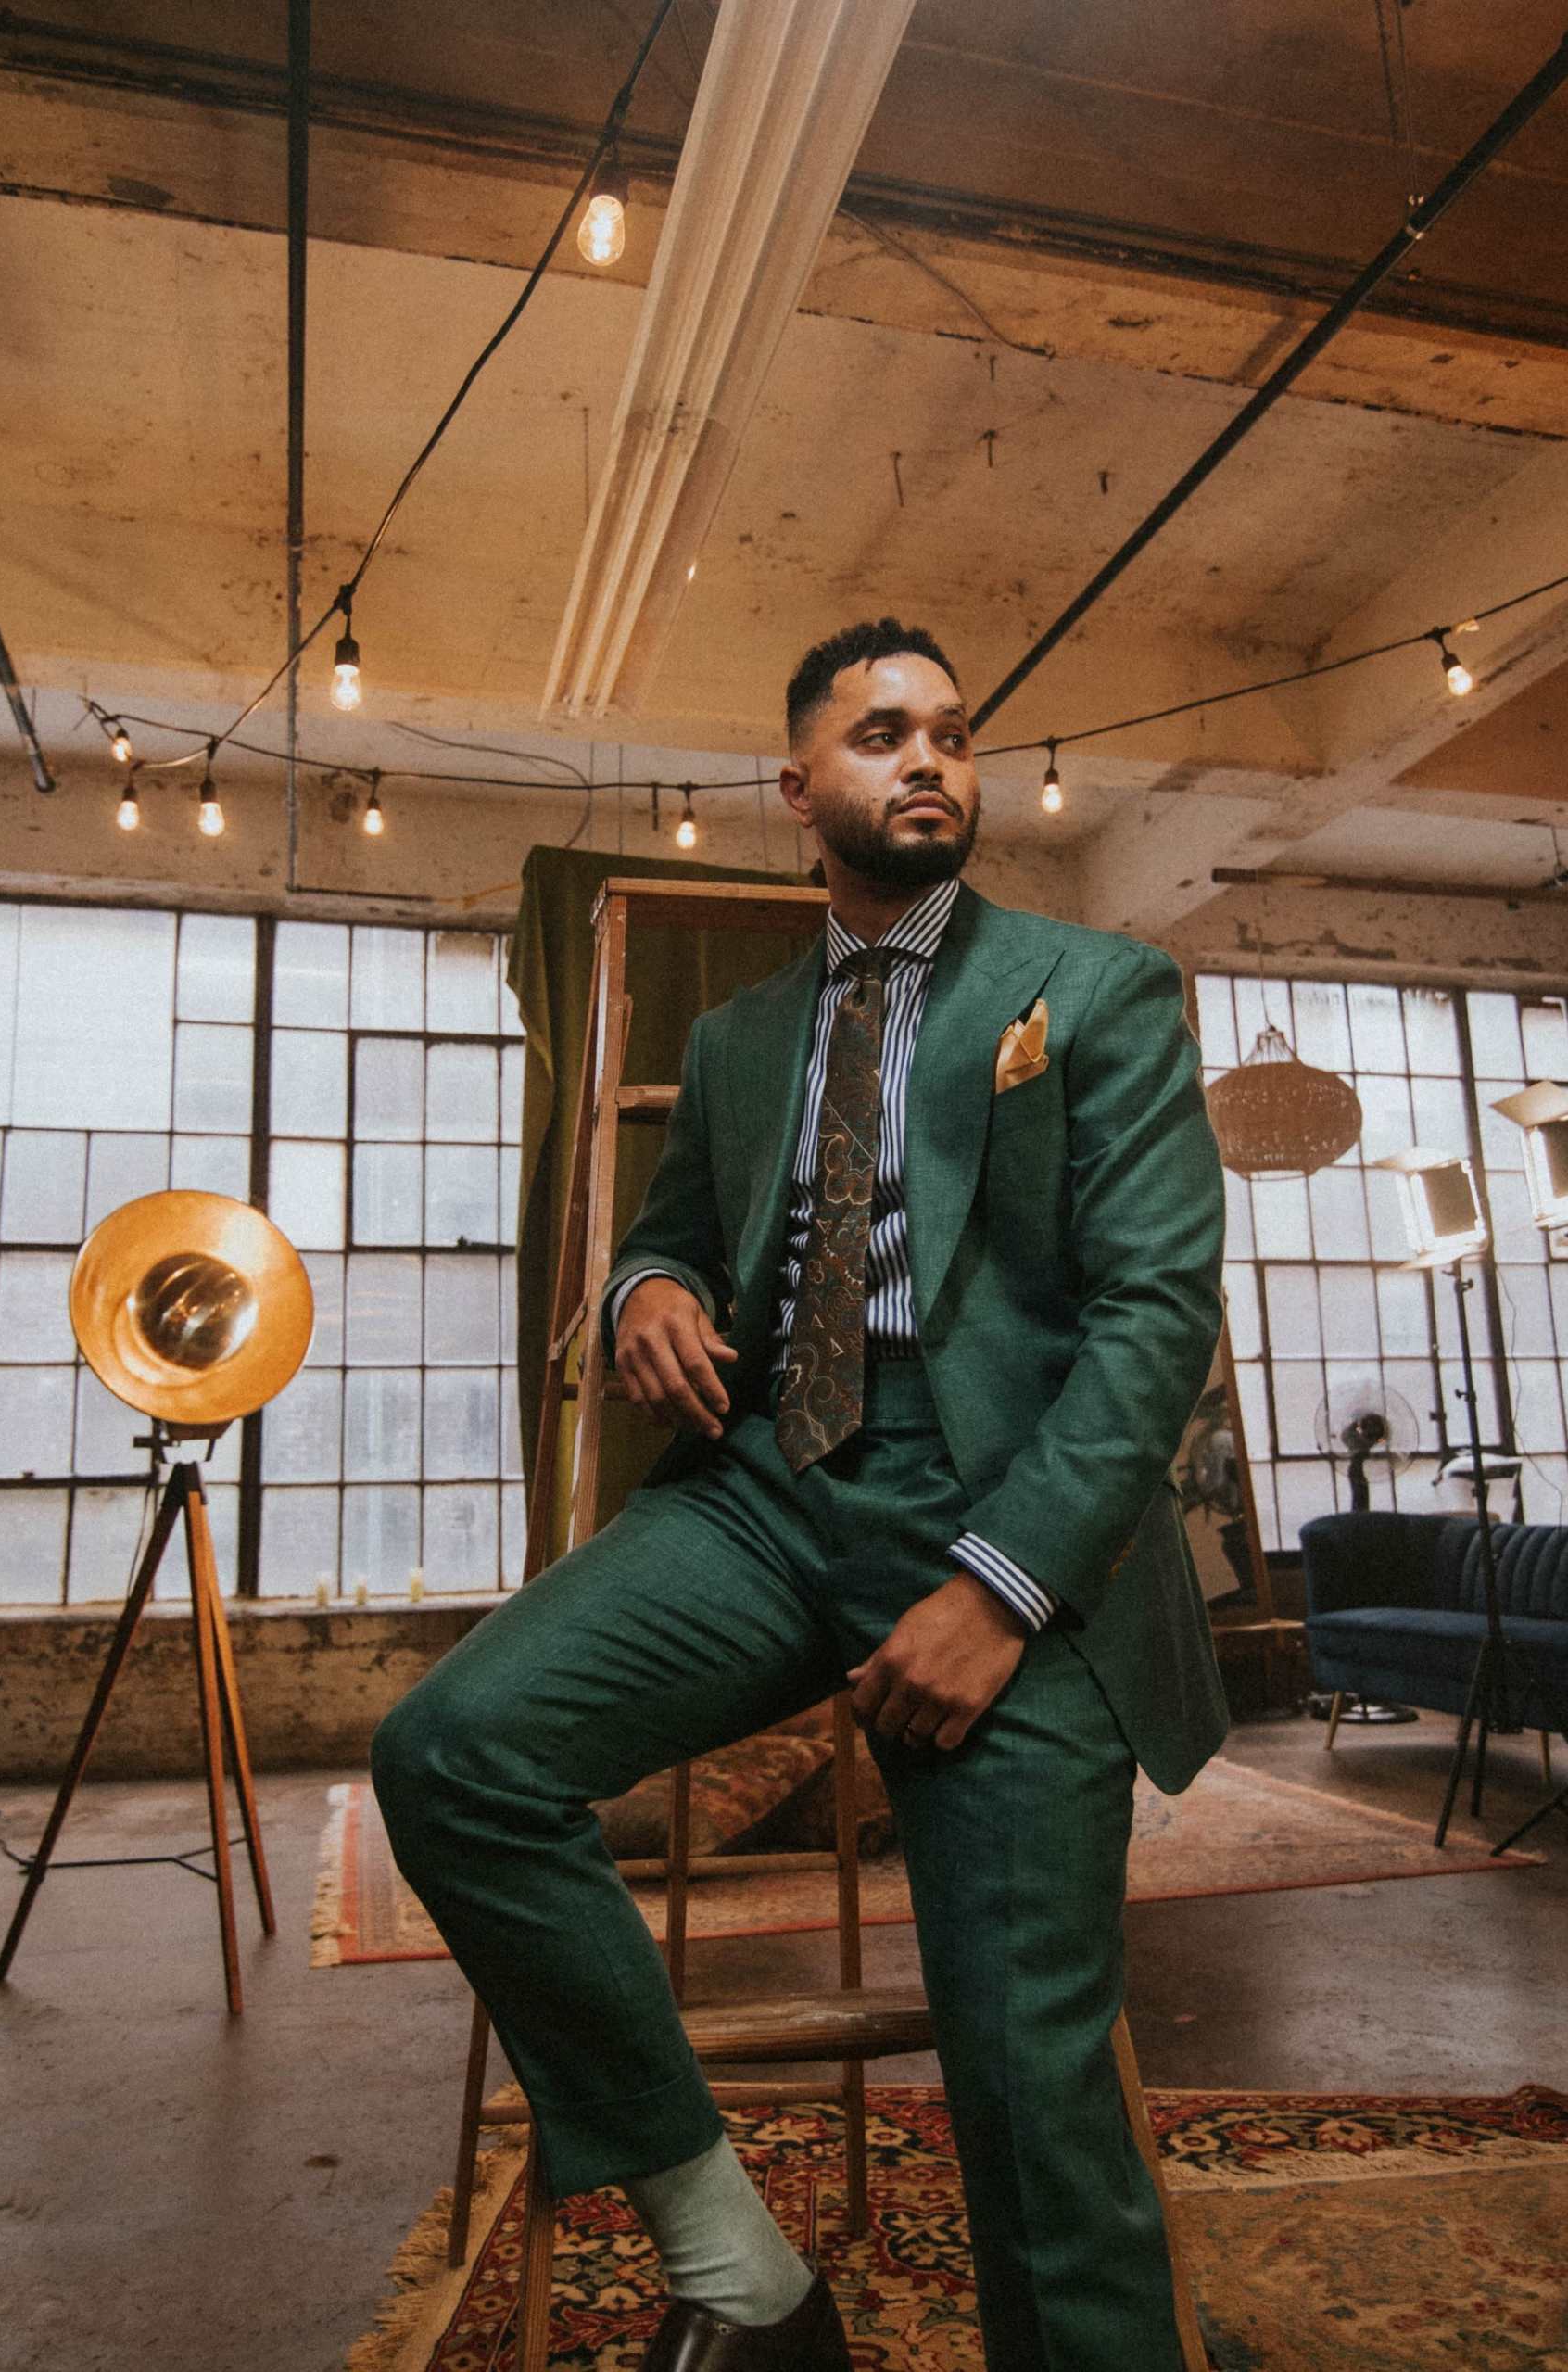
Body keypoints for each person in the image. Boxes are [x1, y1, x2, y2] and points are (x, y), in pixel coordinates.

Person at [373, 618, 1229, 2371]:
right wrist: (648, 1295)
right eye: (880, 734)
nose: (928, 760)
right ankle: (744, 2277)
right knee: (452, 1757)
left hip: (1005, 1515)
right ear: (798, 789)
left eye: (953, 736)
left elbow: (1158, 1323)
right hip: (768, 1494)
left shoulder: (1098, 988)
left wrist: (999, 1589)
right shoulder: (752, 1034)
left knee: (1022, 2076)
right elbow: (682, 1228)